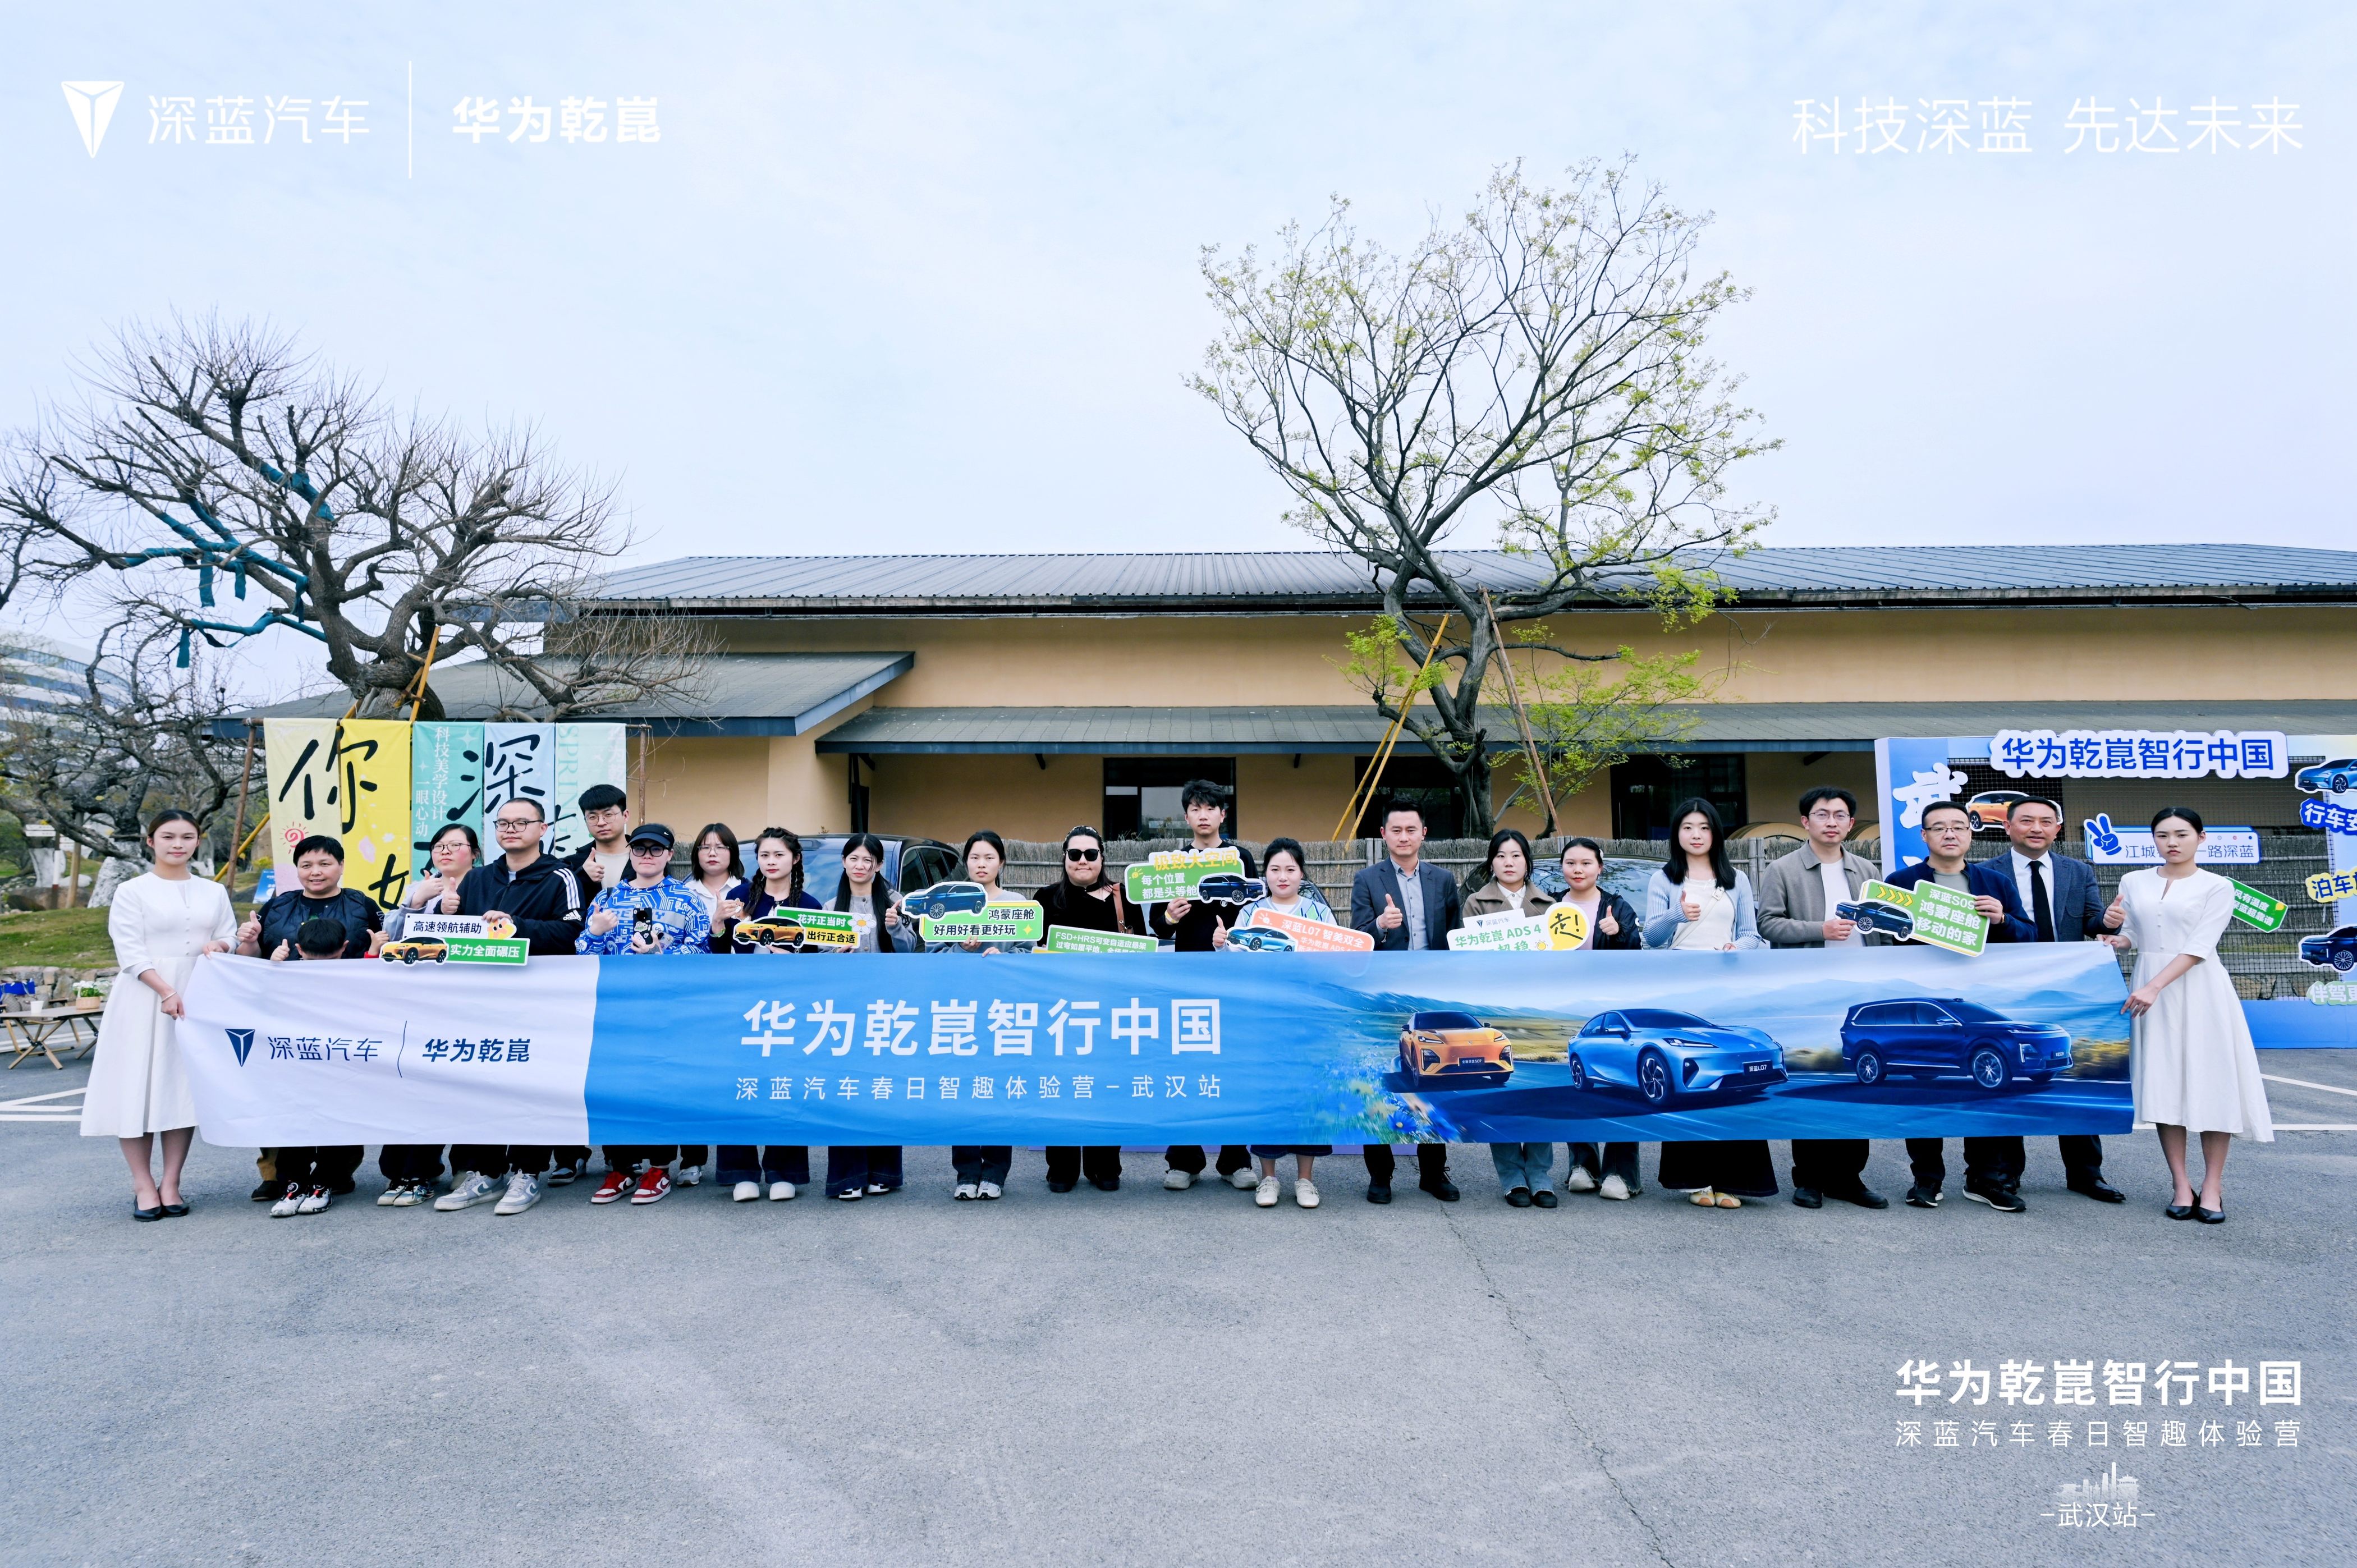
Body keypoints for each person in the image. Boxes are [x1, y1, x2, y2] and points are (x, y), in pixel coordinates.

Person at [2108, 808, 2272, 1223]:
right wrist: (2115, 938)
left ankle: (2213, 1186)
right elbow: (2134, 936)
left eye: (2182, 834)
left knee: (2214, 1084)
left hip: (2200, 990)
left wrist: (2154, 986)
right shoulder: (2133, 881)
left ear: (2201, 837)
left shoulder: (2218, 886)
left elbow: (2200, 946)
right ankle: (2181, 1184)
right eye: (2163, 835)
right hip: (2150, 990)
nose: (2172, 843)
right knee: (2165, 1087)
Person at [436, 796, 588, 1217]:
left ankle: (528, 1172)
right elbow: (456, 939)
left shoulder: (560, 876)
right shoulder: (477, 878)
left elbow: (573, 934)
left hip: (537, 1003)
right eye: (503, 823)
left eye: (521, 822)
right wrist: (446, 914)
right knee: (483, 1085)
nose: (511, 829)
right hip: (482, 1002)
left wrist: (516, 927)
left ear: (542, 829)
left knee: (532, 1085)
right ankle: (486, 1172)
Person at [81, 810, 235, 1221]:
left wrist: (223, 945)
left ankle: (171, 1182)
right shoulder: (132, 891)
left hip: (197, 995)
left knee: (180, 1089)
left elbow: (228, 934)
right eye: (168, 837)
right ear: (151, 842)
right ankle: (142, 1184)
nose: (178, 844)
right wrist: (165, 990)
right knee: (136, 1088)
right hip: (143, 996)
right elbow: (129, 951)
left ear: (198, 841)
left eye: (187, 837)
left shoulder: (213, 891)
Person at [1886, 800, 2038, 1211]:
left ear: (1971, 833)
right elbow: (1886, 943)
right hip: (1925, 1005)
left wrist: (2004, 919)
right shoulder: (1901, 882)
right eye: (1939, 827)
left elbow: (2031, 936)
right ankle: (1926, 1179)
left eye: (1958, 826)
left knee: (1983, 1086)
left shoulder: (1995, 882)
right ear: (1924, 836)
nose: (1950, 834)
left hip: (1980, 1001)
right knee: (1924, 1086)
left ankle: (1985, 1178)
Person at [1988, 794, 2127, 1205]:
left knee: (2075, 1074)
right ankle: (2005, 1174)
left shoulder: (2077, 870)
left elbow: (2091, 922)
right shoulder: (1986, 873)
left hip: (2066, 986)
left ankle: (2086, 1174)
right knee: (2011, 1077)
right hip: (2007, 986)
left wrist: (2108, 922)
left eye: (2046, 822)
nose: (2037, 828)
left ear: (2058, 829)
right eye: (2026, 820)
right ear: (2008, 827)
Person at [1756, 787, 1891, 1212]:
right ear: (1805, 822)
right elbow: (1767, 924)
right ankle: (1810, 1177)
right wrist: (1821, 930)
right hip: (1809, 993)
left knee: (1857, 1079)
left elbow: (1883, 928)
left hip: (1861, 992)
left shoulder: (1867, 870)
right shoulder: (1782, 869)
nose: (1831, 822)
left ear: (1851, 824)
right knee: (1814, 1077)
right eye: (1822, 814)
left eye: (1840, 815)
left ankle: (1849, 1177)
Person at [1644, 799, 1777, 1210]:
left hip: (1728, 989)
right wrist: (1677, 914)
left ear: (1716, 833)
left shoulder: (1736, 879)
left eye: (1704, 827)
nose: (1696, 834)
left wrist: (1738, 948)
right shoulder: (1663, 879)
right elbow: (1651, 939)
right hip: (1682, 993)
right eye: (1688, 827)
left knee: (1734, 1078)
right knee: (1694, 1081)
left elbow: (1753, 935)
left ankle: (1737, 1180)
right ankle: (1695, 1179)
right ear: (1676, 834)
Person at [233, 833, 380, 1199]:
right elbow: (250, 962)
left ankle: (338, 1171)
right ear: (296, 869)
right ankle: (276, 1174)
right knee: (282, 1095)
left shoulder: (362, 905)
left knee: (342, 1093)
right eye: (306, 865)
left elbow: (382, 955)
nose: (316, 872)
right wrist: (249, 941)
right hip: (284, 1019)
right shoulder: (277, 907)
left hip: (346, 1019)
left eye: (325, 863)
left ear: (341, 866)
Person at [579, 823, 713, 1205]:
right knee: (616, 1087)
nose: (647, 856)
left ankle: (659, 1167)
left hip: (667, 1010)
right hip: (616, 1011)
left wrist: (661, 955)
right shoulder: (607, 898)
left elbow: (703, 951)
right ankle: (622, 1167)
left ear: (670, 855)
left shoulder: (687, 900)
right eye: (640, 849)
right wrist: (595, 932)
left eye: (656, 850)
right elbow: (583, 955)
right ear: (631, 853)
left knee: (660, 1086)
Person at [1349, 800, 1463, 1204]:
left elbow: (1456, 938)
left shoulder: (1443, 880)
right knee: (1381, 1076)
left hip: (1431, 993)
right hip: (1384, 993)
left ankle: (1433, 1173)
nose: (1403, 837)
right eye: (1395, 830)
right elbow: (1357, 938)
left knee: (1434, 1078)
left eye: (1411, 830)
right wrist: (1381, 926)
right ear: (1383, 834)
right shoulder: (1367, 879)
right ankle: (1380, 1175)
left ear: (1423, 833)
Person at [1152, 780, 1258, 1194]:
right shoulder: (1173, 862)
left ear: (1222, 815)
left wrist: (1233, 935)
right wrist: (1171, 917)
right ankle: (1184, 1160)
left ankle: (1236, 1160)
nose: (1202, 815)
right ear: (1186, 816)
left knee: (1233, 1066)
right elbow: (1156, 925)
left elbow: (1256, 915)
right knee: (1186, 1065)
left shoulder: (1240, 859)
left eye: (1210, 808)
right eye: (1195, 808)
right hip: (1186, 979)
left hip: (1233, 979)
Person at [1221, 837, 1335, 1209]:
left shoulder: (1319, 913)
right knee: (1267, 1094)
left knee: (1308, 1093)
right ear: (1265, 875)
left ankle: (1306, 1180)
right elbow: (1233, 966)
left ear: (1302, 874)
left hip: (1307, 1017)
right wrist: (1221, 944)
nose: (1283, 876)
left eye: (1290, 869)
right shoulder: (1251, 912)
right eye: (1275, 869)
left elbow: (1336, 962)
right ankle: (1268, 1178)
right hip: (1265, 1018)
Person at [376, 822, 481, 1206]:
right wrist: (417, 902)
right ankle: (411, 1169)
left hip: (472, 1002)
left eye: (456, 845)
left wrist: (460, 910)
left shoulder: (486, 885)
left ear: (475, 853)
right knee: (418, 1082)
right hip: (420, 1002)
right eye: (439, 846)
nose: (445, 851)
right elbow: (391, 939)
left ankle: (469, 1165)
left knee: (469, 1082)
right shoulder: (419, 887)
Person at [1035, 826, 1143, 1193]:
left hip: (1110, 1012)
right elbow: (1030, 952)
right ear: (1064, 858)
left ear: (1102, 858)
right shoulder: (1045, 899)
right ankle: (1061, 1167)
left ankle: (1105, 1165)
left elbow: (1142, 950)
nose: (1083, 861)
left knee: (1107, 1088)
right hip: (1060, 1012)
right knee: (1060, 1088)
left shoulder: (1123, 898)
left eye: (1091, 854)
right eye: (1075, 854)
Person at [714, 827, 819, 1202]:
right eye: (764, 856)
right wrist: (718, 923)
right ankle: (740, 1172)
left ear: (795, 859)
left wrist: (794, 960)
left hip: (790, 1008)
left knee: (784, 1086)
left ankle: (783, 1172)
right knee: (739, 1084)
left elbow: (818, 966)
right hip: (743, 1004)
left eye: (779, 855)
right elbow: (716, 953)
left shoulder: (810, 906)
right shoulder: (739, 897)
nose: (771, 862)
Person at [1466, 829, 1560, 1208]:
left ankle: (1540, 1174)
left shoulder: (1550, 905)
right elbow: (1467, 959)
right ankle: (1511, 1176)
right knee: (1500, 1089)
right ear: (1492, 862)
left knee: (1540, 1092)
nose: (1509, 862)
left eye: (1516, 855)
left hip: (1538, 1010)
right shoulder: (1475, 903)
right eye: (1501, 855)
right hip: (1494, 1010)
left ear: (1527, 862)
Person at [935, 830, 1026, 1200]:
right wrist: (961, 948)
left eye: (989, 858)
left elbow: (1029, 953)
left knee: (998, 1089)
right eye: (975, 858)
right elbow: (932, 957)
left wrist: (1006, 959)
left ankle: (995, 1173)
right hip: (959, 1011)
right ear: (966, 862)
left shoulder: (1017, 904)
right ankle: (966, 1173)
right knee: (962, 1090)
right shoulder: (948, 904)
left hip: (1003, 1011)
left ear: (1001, 862)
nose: (982, 864)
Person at [824, 832, 916, 1200]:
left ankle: (884, 1173)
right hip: (843, 1011)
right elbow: (818, 959)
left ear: (879, 866)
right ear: (844, 862)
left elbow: (912, 951)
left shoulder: (896, 902)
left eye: (868, 860)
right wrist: (836, 954)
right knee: (845, 1090)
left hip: (886, 1009)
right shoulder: (831, 907)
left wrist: (895, 926)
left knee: (882, 1090)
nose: (860, 866)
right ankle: (847, 1176)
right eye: (854, 858)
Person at [1553, 837, 1644, 1202]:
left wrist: (1618, 934)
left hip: (1614, 1012)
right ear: (1562, 867)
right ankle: (1582, 1165)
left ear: (1600, 868)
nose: (1578, 870)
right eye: (1571, 863)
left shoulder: (1617, 906)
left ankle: (1622, 1172)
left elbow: (1637, 954)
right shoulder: (1550, 907)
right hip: (1568, 1007)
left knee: (1624, 1085)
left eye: (1586, 863)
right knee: (1578, 1085)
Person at [262, 918, 372, 1216]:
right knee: (294, 1125)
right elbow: (260, 998)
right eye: (313, 961)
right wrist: (273, 968)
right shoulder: (285, 975)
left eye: (331, 960)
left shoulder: (355, 975)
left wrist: (373, 954)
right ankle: (293, 1185)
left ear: (345, 949)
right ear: (299, 950)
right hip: (297, 1065)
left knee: (335, 1126)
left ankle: (324, 1183)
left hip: (339, 1066)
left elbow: (377, 989)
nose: (322, 967)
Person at [563, 782, 632, 895]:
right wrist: (582, 876)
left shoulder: (647, 858)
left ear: (625, 816)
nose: (601, 823)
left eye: (608, 815)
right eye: (593, 817)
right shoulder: (571, 864)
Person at [685, 822, 746, 945]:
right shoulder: (685, 893)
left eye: (720, 847)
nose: (712, 853)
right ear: (697, 854)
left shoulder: (747, 891)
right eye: (705, 848)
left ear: (732, 852)